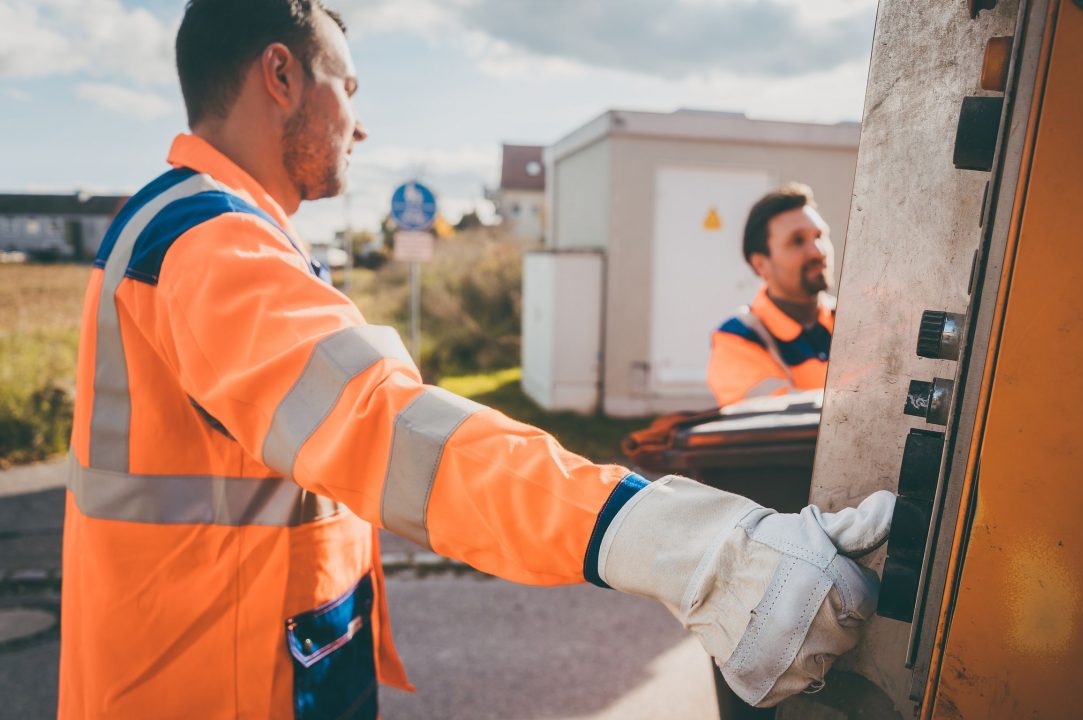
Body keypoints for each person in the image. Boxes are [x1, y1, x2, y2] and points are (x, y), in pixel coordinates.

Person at [59, 1, 894, 717]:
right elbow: (389, 429)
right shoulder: (205, 245)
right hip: (213, 690)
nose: (360, 120)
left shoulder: (200, 235)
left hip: (232, 669)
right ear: (280, 76)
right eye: (347, 88)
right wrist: (689, 548)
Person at [707, 184, 838, 406]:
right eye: (797, 241)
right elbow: (778, 422)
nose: (818, 251)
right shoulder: (737, 337)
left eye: (820, 235)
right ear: (760, 264)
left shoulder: (856, 321)